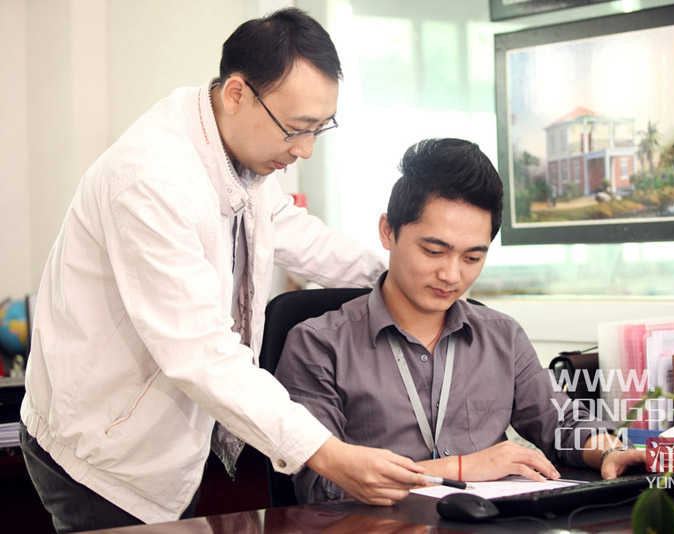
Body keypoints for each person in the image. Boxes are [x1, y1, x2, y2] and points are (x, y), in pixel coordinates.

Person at [19, 8, 425, 532]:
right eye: (296, 129)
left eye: (319, 129)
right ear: (236, 93)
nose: (304, 150)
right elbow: (201, 352)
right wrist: (327, 453)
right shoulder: (151, 181)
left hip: (162, 444)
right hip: (100, 459)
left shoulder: (235, 149)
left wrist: (401, 277)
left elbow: (296, 233)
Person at [275, 138, 646, 504]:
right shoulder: (318, 345)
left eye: (472, 258)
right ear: (388, 231)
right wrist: (461, 468)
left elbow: (562, 424)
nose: (451, 275)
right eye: (433, 251)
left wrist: (609, 451)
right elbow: (321, 487)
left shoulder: (502, 336)